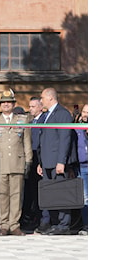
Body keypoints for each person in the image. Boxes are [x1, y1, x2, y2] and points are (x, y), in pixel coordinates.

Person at [0, 89, 32, 236]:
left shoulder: (22, 121)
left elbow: (27, 143)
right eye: (3, 102)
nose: (6, 104)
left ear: (13, 104)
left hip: (17, 162)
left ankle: (14, 225)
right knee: (2, 195)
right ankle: (3, 225)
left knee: (17, 195)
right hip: (0, 164)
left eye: (9, 102)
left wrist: (29, 161)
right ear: (0, 105)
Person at [37, 87, 75, 235]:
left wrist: (61, 161)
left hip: (57, 162)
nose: (41, 101)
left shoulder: (63, 114)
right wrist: (40, 162)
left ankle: (64, 224)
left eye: (42, 98)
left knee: (61, 193)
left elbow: (64, 139)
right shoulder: (47, 115)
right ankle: (54, 223)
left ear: (50, 98)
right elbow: (45, 140)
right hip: (47, 161)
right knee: (51, 194)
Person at [22, 97, 46, 231]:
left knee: (39, 190)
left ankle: (40, 218)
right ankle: (32, 216)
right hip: (31, 156)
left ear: (40, 107)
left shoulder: (44, 120)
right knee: (31, 190)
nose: (30, 109)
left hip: (40, 157)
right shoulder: (30, 121)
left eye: (33, 106)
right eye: (29, 106)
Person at [75, 104, 88, 235]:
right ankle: (86, 225)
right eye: (84, 112)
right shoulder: (77, 128)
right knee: (85, 198)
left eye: (88, 112)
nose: (86, 114)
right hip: (82, 166)